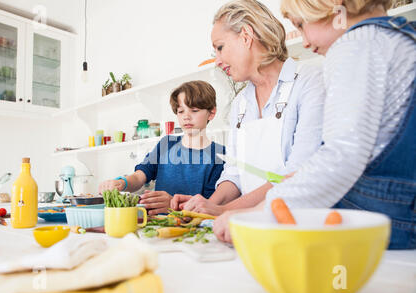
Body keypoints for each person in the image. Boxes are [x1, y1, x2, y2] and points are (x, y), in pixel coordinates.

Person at [217, 0, 416, 248]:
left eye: (301, 24)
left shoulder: (354, 47)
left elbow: (340, 158)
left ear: (334, 4)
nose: (306, 42)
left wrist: (261, 213)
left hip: (390, 226)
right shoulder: (400, 36)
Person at [171, 0, 325, 218]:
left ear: (246, 36)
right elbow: (234, 172)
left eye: (220, 48)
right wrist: (202, 208)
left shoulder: (308, 82)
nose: (217, 61)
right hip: (251, 223)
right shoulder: (240, 103)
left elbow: (297, 172)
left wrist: (223, 210)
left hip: (300, 222)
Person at [98, 80, 225, 215]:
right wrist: (122, 183)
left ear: (211, 113)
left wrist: (173, 206)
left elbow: (209, 206)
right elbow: (140, 176)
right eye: (181, 111)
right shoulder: (167, 143)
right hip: (156, 225)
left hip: (193, 230)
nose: (186, 117)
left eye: (194, 110)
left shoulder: (220, 155)